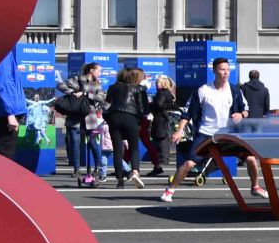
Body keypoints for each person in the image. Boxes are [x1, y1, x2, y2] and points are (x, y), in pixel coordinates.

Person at [161, 57, 264, 201]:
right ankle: (170, 190)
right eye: (222, 69)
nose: (226, 73)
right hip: (206, 134)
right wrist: (179, 130)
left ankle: (255, 187)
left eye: (228, 70)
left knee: (252, 159)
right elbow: (187, 113)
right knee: (189, 163)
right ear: (214, 70)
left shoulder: (235, 90)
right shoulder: (203, 91)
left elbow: (246, 110)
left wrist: (241, 115)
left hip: (228, 135)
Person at [55, 62, 106, 184]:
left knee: (93, 143)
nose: (100, 73)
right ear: (92, 70)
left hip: (90, 116)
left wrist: (85, 94)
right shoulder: (77, 79)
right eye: (99, 71)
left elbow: (101, 98)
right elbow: (60, 85)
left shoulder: (97, 84)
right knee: (75, 143)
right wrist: (73, 92)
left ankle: (97, 168)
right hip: (74, 115)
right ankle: (76, 169)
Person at [104, 66, 150, 188]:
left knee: (118, 150)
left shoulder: (112, 87)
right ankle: (135, 171)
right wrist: (140, 121)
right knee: (134, 147)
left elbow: (107, 103)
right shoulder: (138, 89)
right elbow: (142, 109)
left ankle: (120, 180)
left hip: (114, 117)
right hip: (131, 117)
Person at [147, 75, 180, 177]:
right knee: (162, 137)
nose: (156, 84)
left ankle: (162, 159)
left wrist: (150, 104)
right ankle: (160, 162)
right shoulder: (168, 93)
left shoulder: (161, 93)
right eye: (156, 82)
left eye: (158, 82)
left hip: (160, 118)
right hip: (164, 118)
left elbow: (159, 105)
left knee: (160, 138)